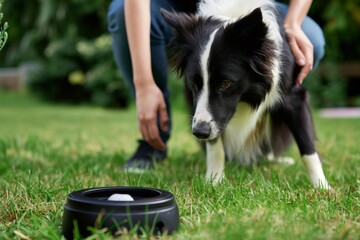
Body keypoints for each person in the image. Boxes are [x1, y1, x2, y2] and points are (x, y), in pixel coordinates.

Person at [107, 0, 325, 171]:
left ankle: (258, 139)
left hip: (252, 10)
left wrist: (293, 22)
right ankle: (152, 144)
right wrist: (144, 84)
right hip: (180, 5)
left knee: (312, 39)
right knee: (121, 11)